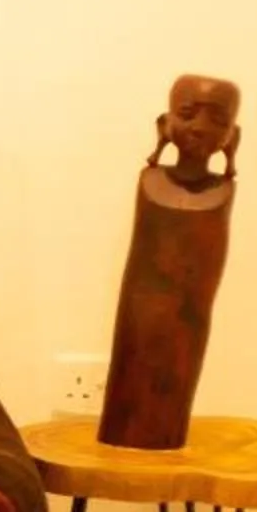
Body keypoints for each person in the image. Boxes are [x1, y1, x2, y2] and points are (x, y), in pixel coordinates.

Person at [100, 73, 241, 451]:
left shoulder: (223, 192)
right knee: (131, 377)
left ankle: (164, 431)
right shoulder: (150, 181)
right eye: (188, 113)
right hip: (139, 316)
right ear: (165, 125)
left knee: (174, 382)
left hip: (188, 323)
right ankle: (124, 428)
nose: (200, 128)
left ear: (233, 137)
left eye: (217, 120)